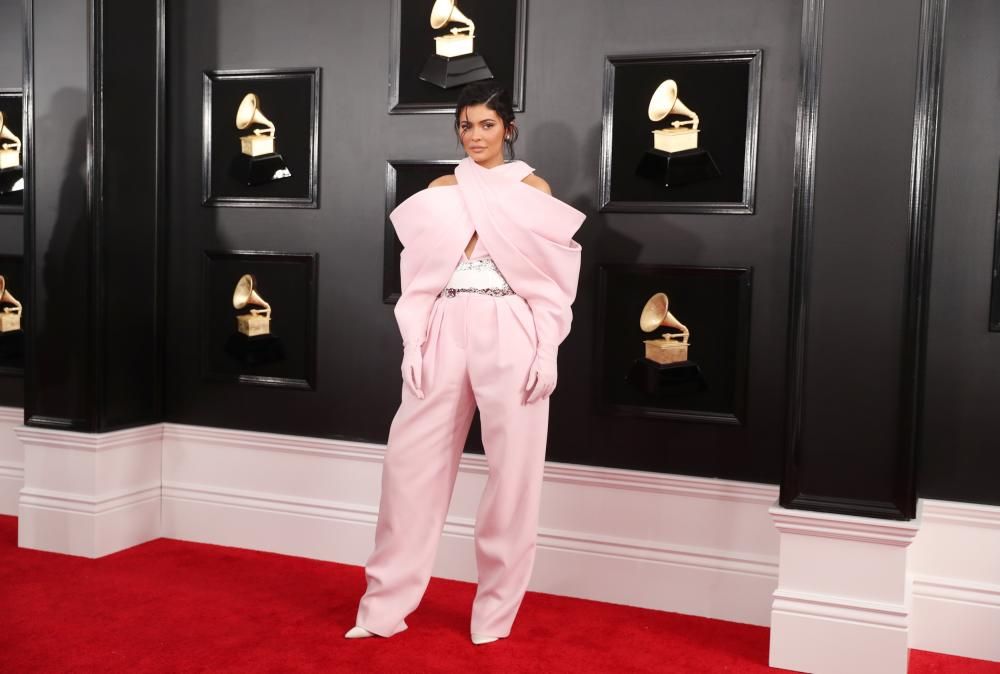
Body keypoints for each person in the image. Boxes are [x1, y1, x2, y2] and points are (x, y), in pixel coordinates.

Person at [346, 82, 585, 645]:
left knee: (514, 476)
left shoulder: (533, 188)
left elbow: (551, 283)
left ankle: (494, 616)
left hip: (512, 330)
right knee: (409, 469)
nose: (475, 136)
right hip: (446, 326)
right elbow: (418, 280)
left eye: (486, 125)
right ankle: (382, 610)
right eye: (466, 126)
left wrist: (546, 349)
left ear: (508, 129)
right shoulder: (439, 189)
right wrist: (414, 344)